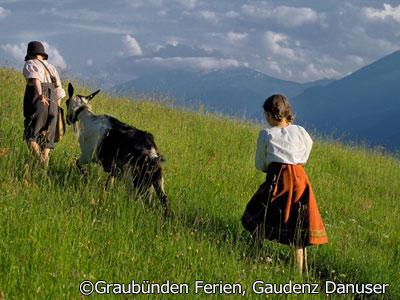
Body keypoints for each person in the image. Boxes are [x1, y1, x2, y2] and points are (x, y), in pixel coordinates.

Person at [241, 94, 328, 274]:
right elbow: (308, 146)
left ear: (271, 115)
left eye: (266, 115)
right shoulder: (300, 131)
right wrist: (299, 160)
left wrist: (270, 166)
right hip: (300, 179)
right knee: (297, 222)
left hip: (277, 178)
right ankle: (299, 272)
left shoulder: (266, 134)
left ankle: (257, 254)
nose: (265, 119)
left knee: (259, 213)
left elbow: (260, 163)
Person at [22, 41, 66, 167]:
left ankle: (40, 160)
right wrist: (56, 107)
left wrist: (40, 94)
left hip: (38, 102)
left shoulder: (30, 64)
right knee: (47, 140)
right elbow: (59, 89)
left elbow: (35, 78)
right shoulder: (51, 67)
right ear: (42, 54)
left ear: (30, 54)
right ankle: (44, 169)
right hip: (53, 105)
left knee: (31, 135)